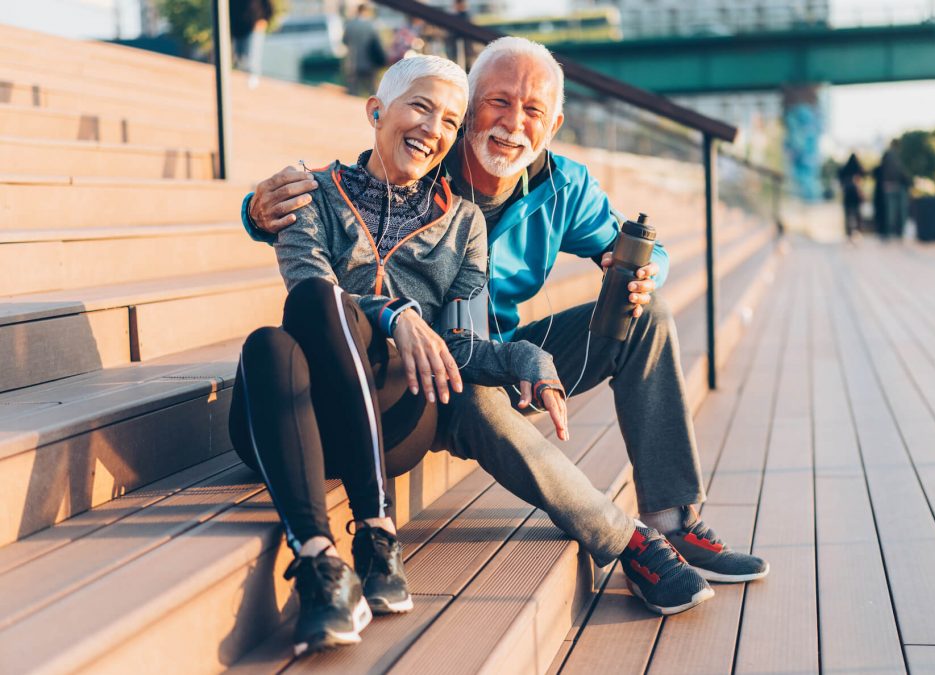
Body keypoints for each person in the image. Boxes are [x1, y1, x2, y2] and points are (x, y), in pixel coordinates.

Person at [240, 37, 769, 617]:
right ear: (468, 106)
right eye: (496, 101)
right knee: (476, 391)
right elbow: (349, 205)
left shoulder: (564, 186)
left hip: (493, 351)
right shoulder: (429, 148)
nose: (514, 123)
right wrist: (255, 211)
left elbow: (642, 251)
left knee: (649, 315)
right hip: (430, 373)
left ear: (554, 123)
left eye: (534, 110)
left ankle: (673, 519)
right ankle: (629, 545)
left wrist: (645, 275)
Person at [229, 55, 565, 656]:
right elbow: (308, 290)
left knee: (296, 321)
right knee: (270, 342)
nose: (433, 129)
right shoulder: (310, 192)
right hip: (297, 419)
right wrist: (393, 312)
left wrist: (525, 361)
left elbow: (460, 346)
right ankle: (330, 558)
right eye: (420, 107)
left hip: (397, 420)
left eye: (449, 121)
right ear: (376, 112)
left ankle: (360, 542)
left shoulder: (464, 224)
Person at [342, 3, 387, 97]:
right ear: (366, 11)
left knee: (354, 92)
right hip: (370, 62)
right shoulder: (372, 25)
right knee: (372, 91)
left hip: (353, 63)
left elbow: (344, 41)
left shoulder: (350, 25)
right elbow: (377, 44)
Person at [230, 0, 274, 87]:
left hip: (254, 27)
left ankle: (252, 78)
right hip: (239, 29)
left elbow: (269, 9)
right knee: (240, 57)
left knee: (252, 54)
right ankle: (243, 78)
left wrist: (263, 21)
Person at [877, 141, 911, 240]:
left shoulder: (887, 155)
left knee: (890, 211)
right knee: (899, 211)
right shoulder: (898, 155)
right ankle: (898, 232)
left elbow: (882, 170)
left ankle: (890, 232)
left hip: (889, 185)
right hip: (897, 186)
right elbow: (902, 171)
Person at [837, 153, 865, 240]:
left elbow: (839, 177)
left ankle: (848, 233)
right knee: (857, 214)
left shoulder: (845, 168)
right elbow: (864, 174)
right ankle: (858, 231)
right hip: (856, 195)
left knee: (848, 214)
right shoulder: (857, 168)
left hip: (847, 194)